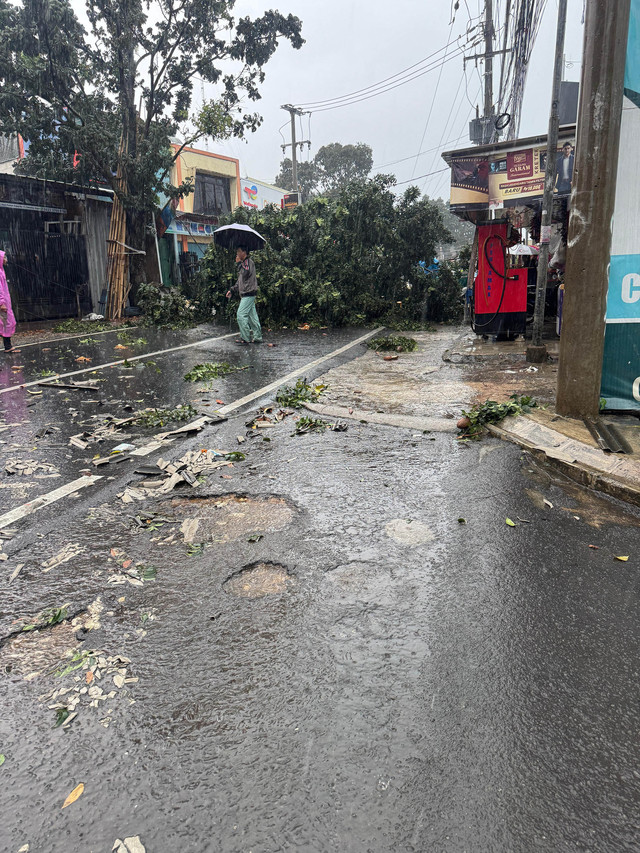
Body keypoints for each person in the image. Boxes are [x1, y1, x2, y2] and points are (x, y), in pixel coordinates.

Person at [226, 245, 263, 345]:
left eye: (239, 251)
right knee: (252, 317)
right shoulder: (244, 264)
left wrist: (239, 263)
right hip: (247, 293)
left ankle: (245, 338)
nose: (237, 253)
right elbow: (240, 281)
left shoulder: (248, 262)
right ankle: (257, 337)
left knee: (241, 315)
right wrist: (232, 290)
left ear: (244, 252)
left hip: (248, 293)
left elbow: (245, 273)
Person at [0, 251, 19, 354]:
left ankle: (8, 346)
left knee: (6, 323)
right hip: (2, 304)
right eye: (4, 257)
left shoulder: (1, 270)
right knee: (5, 323)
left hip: (5, 302)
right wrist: (1, 303)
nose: (6, 259)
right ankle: (8, 346)